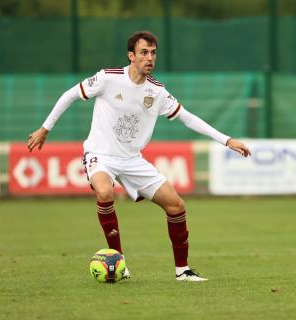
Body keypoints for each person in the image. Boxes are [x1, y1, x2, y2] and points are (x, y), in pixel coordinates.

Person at [27, 31, 251, 281]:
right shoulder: (108, 78)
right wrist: (45, 129)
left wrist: (227, 140)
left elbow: (187, 118)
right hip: (100, 154)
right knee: (104, 192)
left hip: (133, 160)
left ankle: (183, 272)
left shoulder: (157, 92)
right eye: (144, 52)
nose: (150, 58)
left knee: (176, 205)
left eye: (153, 53)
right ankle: (118, 262)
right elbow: (69, 95)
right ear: (131, 56)